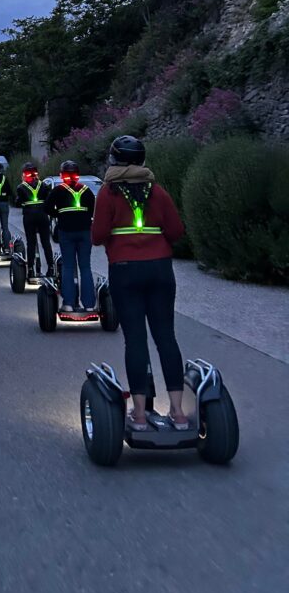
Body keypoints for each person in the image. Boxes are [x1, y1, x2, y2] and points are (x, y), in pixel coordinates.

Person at [91, 134, 188, 432]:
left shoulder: (108, 193)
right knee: (166, 338)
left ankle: (141, 415)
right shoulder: (157, 191)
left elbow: (96, 236)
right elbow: (176, 231)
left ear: (114, 159)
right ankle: (178, 412)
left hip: (124, 270)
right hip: (159, 270)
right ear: (142, 160)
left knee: (135, 340)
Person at [45, 160, 96, 312]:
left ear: (62, 175)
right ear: (77, 175)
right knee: (85, 266)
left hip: (66, 231)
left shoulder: (58, 190)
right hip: (85, 231)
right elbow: (93, 210)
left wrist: (59, 215)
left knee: (68, 266)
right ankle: (89, 305)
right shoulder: (86, 190)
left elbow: (47, 207)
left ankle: (68, 303)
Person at [15, 163, 54, 278]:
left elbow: (17, 202)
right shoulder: (44, 185)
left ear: (24, 174)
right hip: (42, 215)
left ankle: (31, 269)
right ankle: (51, 268)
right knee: (46, 242)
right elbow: (49, 199)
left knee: (31, 243)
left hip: (29, 216)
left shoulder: (21, 187)